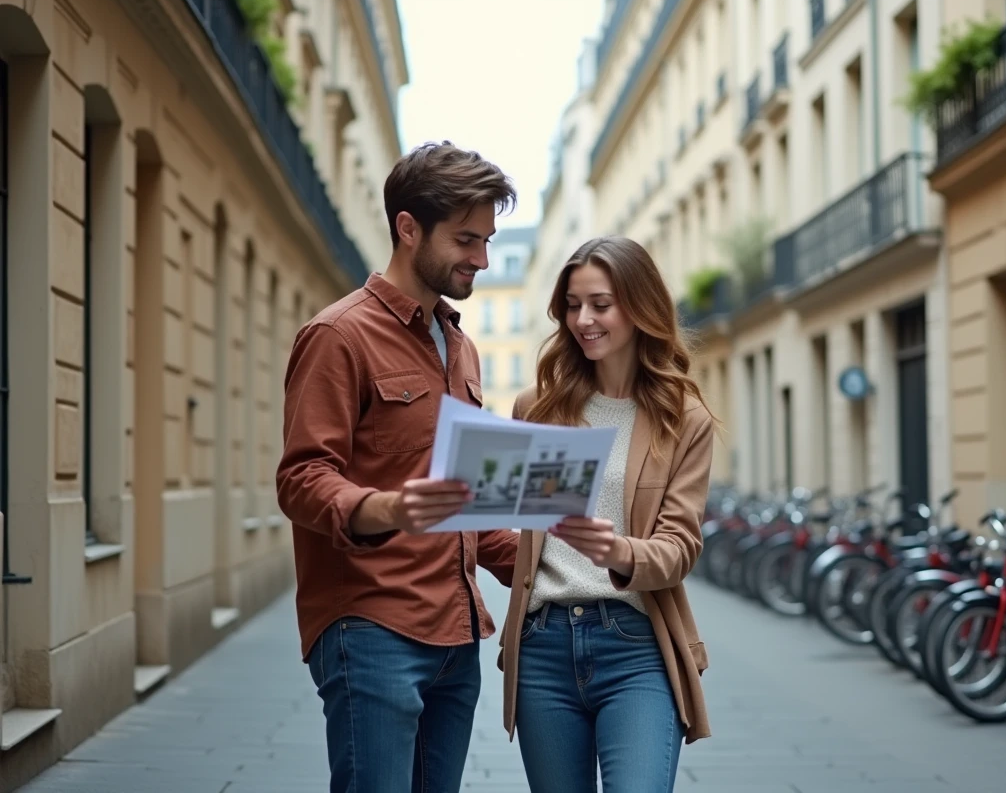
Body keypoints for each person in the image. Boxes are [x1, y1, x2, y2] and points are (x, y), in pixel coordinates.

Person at [276, 140, 521, 793]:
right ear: (408, 229)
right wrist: (386, 507)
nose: (483, 259)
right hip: (372, 628)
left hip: (458, 632)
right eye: (467, 240)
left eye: (488, 239)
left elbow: (470, 501)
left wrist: (556, 557)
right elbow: (300, 478)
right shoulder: (338, 336)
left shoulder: (462, 348)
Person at [496, 236, 716, 792]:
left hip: (635, 646)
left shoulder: (681, 417)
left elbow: (681, 547)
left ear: (640, 307)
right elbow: (517, 522)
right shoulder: (539, 409)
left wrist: (618, 551)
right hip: (543, 647)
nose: (583, 320)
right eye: (572, 305)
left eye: (600, 304)